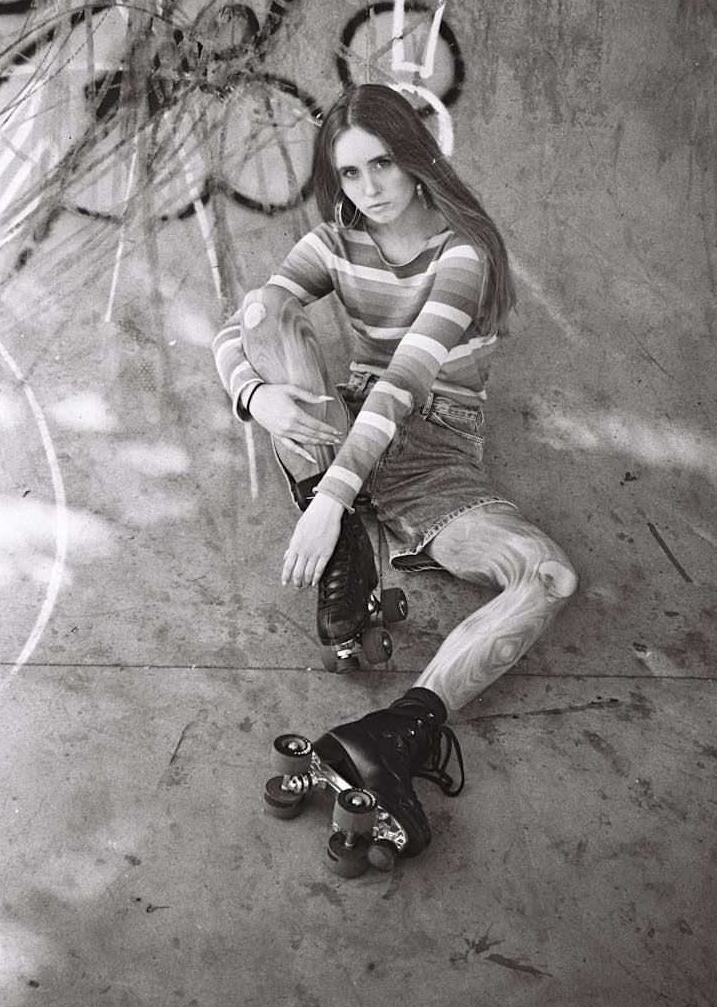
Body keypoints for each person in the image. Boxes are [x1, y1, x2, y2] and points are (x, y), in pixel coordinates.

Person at [212, 84, 577, 859]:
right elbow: (241, 325)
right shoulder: (334, 242)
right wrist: (258, 399)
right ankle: (351, 546)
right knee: (266, 310)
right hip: (342, 424)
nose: (369, 189)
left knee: (546, 576)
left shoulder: (463, 254)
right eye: (349, 174)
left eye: (382, 164)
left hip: (431, 449)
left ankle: (398, 729)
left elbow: (409, 380)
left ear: (416, 160)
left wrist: (330, 498)